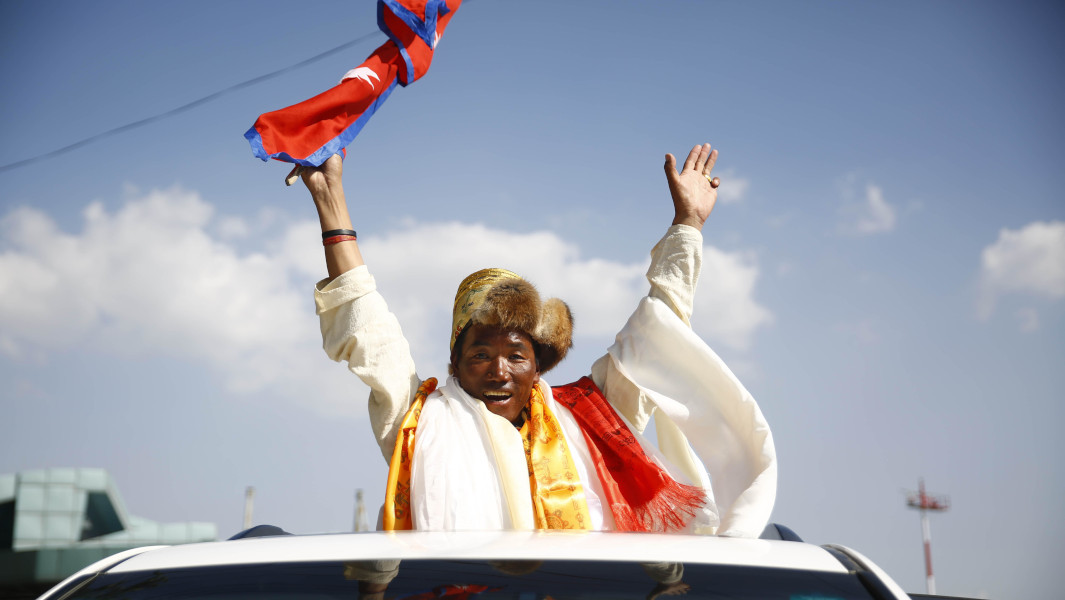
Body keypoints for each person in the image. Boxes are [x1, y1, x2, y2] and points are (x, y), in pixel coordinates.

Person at [304, 144, 776, 536]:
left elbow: (656, 329)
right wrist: (331, 200)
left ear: (537, 366)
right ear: (455, 364)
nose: (498, 370)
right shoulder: (418, 422)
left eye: (515, 355)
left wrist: (688, 225)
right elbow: (371, 332)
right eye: (481, 354)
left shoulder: (594, 419)